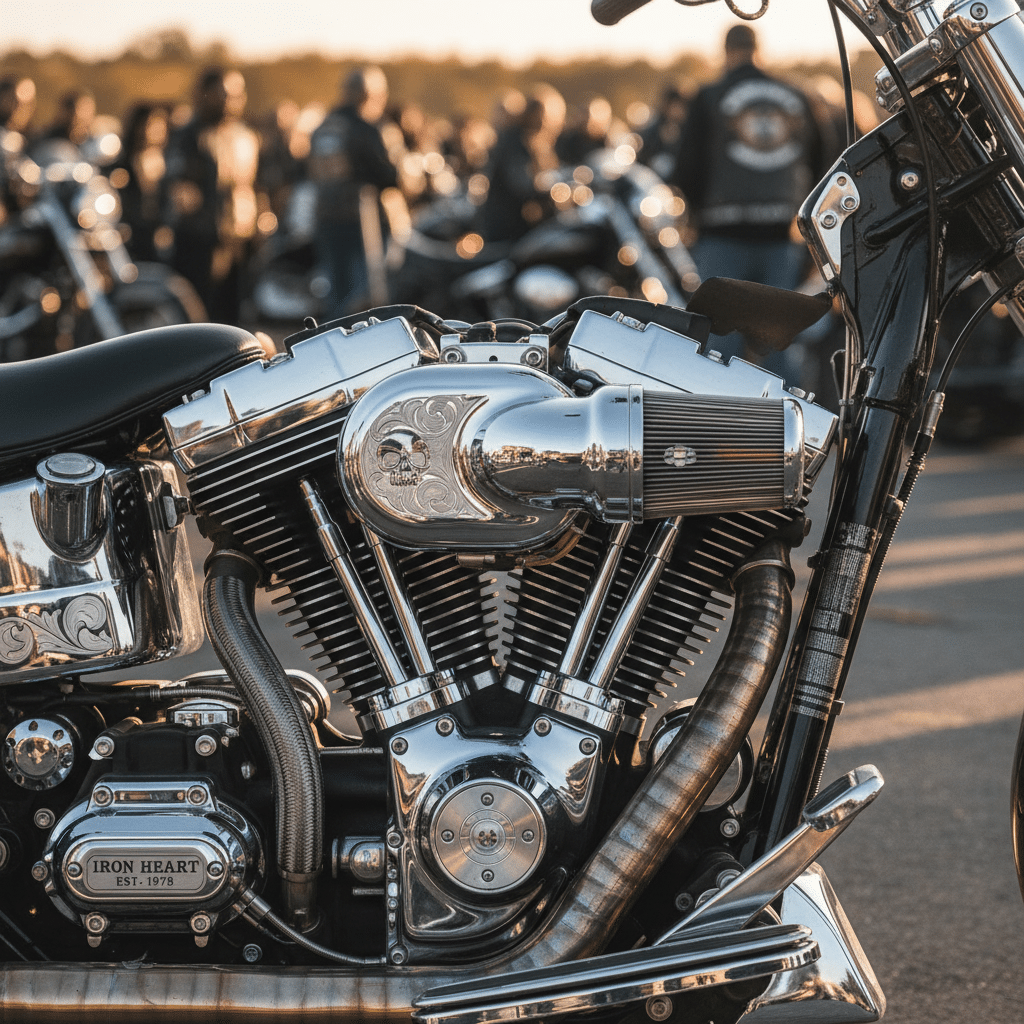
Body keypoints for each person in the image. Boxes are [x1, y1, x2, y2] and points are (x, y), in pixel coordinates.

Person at [670, 25, 824, 381]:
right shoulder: (796, 94)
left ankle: (718, 429)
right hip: (781, 235)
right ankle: (793, 427)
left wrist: (699, 212)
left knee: (718, 344)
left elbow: (685, 168)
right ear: (759, 48)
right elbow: (824, 160)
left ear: (726, 51)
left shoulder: (708, 96)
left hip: (722, 234)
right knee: (781, 341)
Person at [164, 67, 260, 322]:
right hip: (199, 241)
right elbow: (177, 188)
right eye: (224, 93)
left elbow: (252, 185)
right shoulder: (188, 137)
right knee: (199, 318)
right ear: (205, 94)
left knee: (234, 317)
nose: (232, 100)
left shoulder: (245, 136)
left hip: (240, 239)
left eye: (237, 94)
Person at [308, 66, 398, 318]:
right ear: (368, 94)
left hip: (325, 215)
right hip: (361, 220)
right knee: (364, 295)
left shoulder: (324, 126)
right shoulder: (366, 128)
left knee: (335, 287)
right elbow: (388, 176)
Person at [477, 84, 564, 243]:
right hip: (507, 233)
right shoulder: (516, 142)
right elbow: (523, 185)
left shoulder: (538, 143)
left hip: (520, 229)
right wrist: (556, 190)